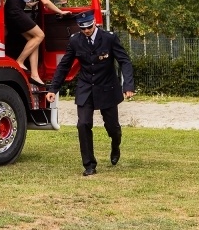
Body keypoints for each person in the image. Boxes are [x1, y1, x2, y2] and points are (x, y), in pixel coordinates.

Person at [45, 10, 135, 176]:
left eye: (89, 27)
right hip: (85, 87)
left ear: (94, 22)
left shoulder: (109, 38)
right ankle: (89, 165)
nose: (86, 30)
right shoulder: (75, 41)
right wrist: (53, 89)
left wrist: (127, 85)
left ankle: (115, 145)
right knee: (83, 124)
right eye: (83, 28)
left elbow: (124, 61)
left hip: (107, 88)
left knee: (112, 127)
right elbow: (64, 65)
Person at [5, 0, 71, 86]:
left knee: (34, 39)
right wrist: (60, 11)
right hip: (14, 11)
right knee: (40, 35)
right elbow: (45, 2)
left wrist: (28, 4)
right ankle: (19, 61)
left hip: (14, 8)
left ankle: (34, 75)